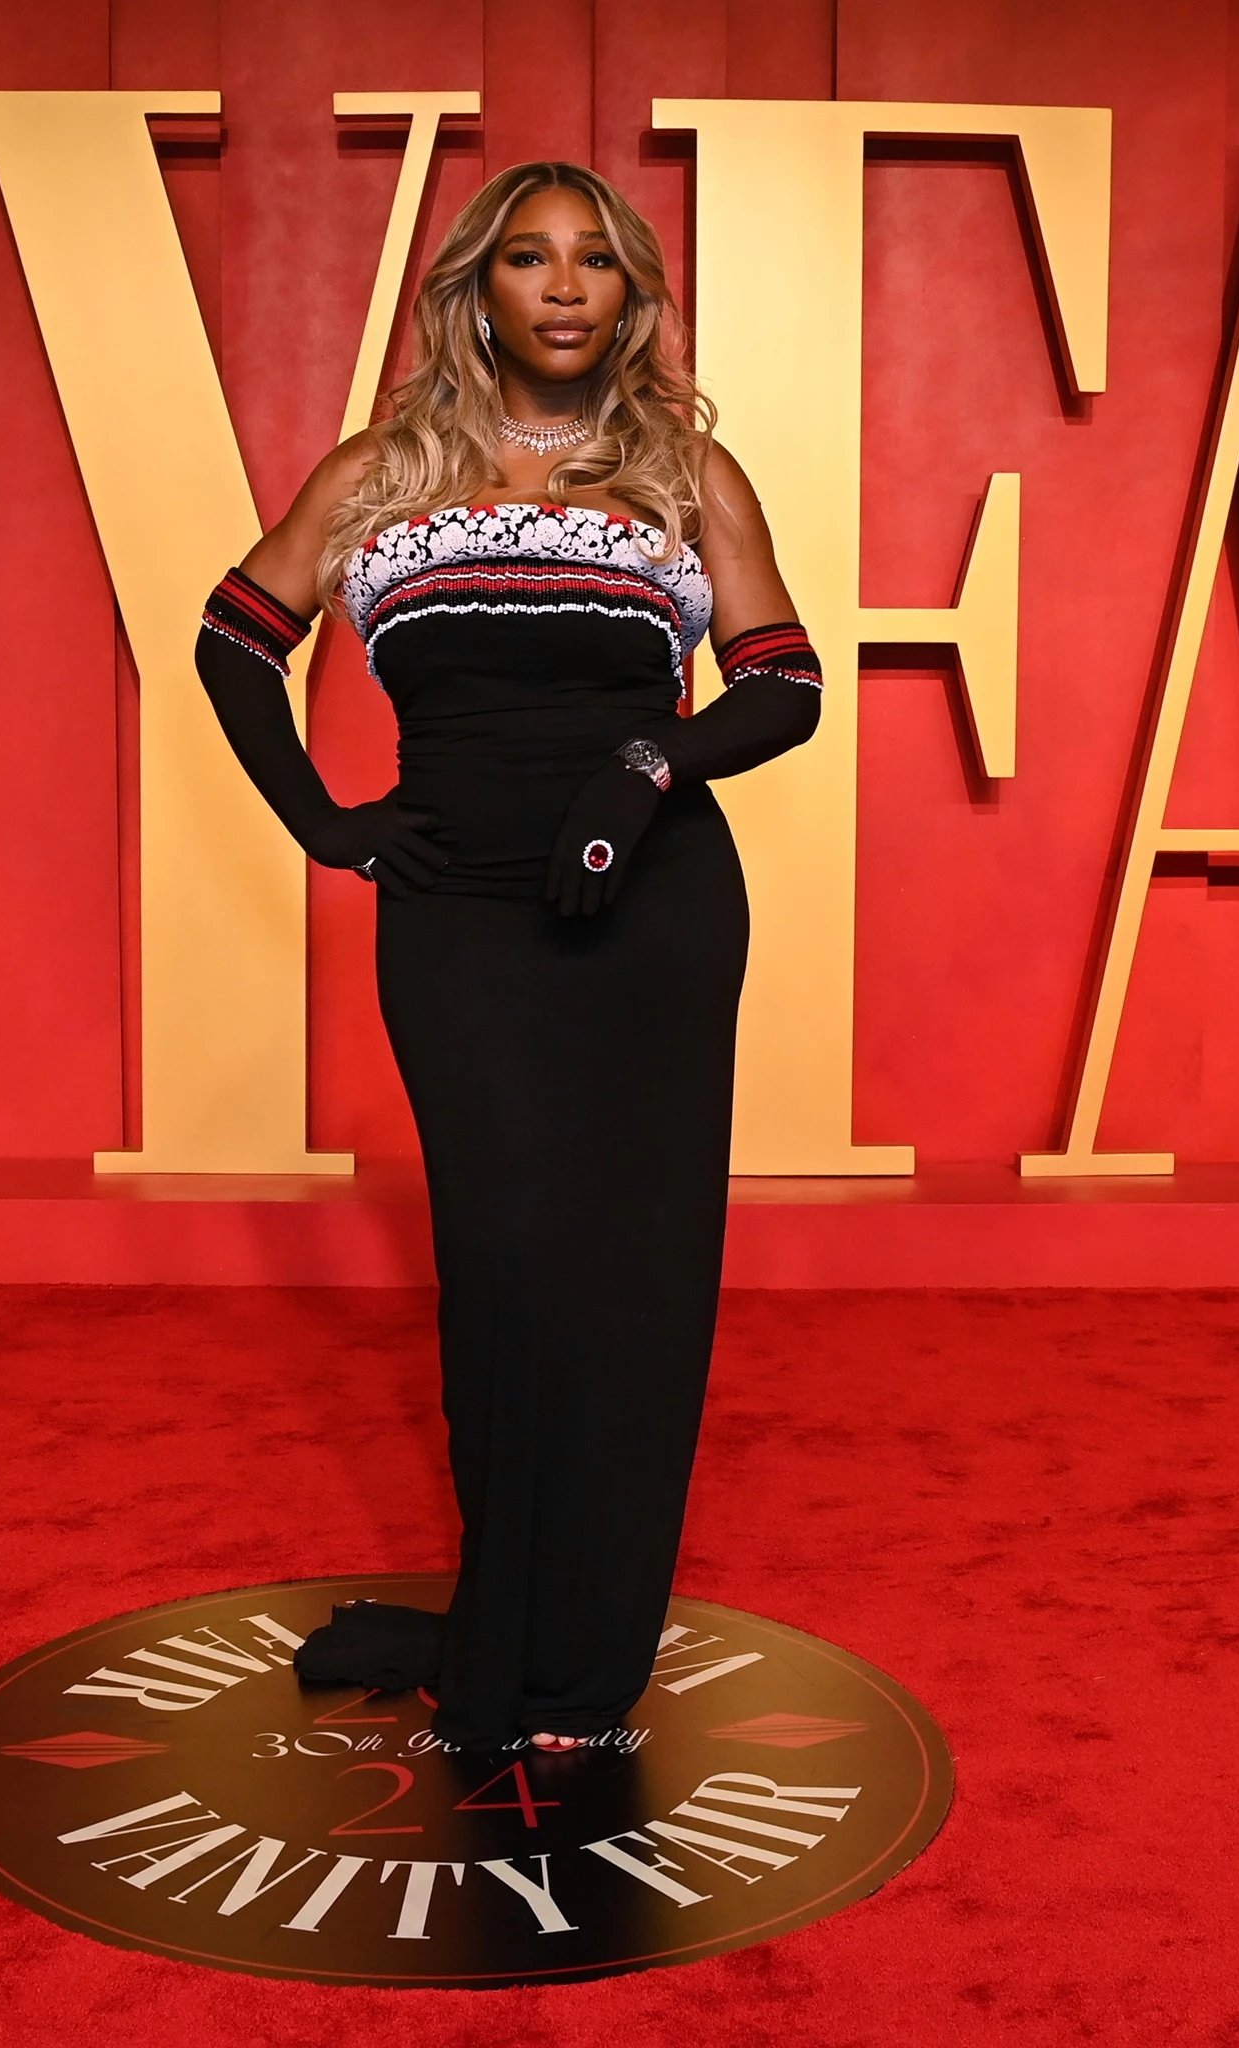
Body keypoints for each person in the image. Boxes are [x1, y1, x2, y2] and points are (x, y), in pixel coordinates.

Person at [194, 161, 823, 1754]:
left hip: (658, 909)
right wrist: (323, 823)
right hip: (462, 913)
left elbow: (783, 682)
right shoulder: (381, 474)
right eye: (530, 259)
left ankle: (582, 1655)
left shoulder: (683, 472)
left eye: (595, 261)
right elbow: (233, 639)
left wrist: (653, 764)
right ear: (475, 288)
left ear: (632, 294)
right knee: (509, 1259)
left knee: (638, 1274)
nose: (563, 287)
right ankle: (505, 1621)